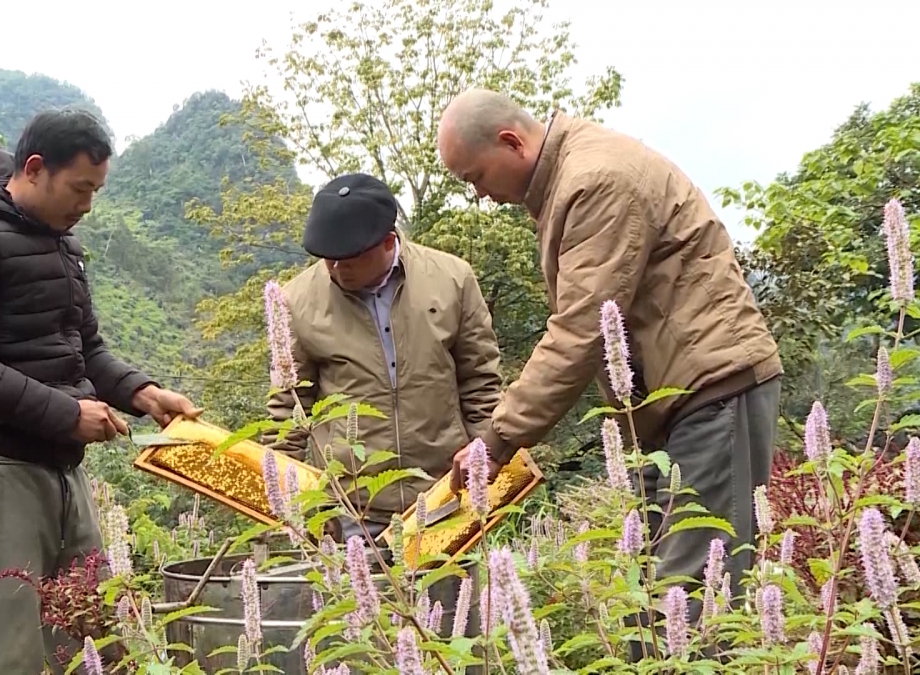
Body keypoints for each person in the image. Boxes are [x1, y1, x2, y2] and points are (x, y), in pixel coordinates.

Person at [436, 89, 782, 656]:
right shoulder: (571, 179)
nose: (477, 194)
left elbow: (582, 331)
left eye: (474, 176)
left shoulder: (595, 180)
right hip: (669, 407)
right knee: (650, 594)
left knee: (693, 594)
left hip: (712, 391)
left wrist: (497, 438)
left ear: (510, 141)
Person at [0, 108, 202, 674]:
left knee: (93, 643)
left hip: (57, 469)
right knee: (13, 657)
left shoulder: (59, 243)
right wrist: (67, 414)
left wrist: (145, 394)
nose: (87, 205)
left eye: (96, 190)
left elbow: (84, 350)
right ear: (34, 168)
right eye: (79, 188)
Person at [265, 172, 503, 542]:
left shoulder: (452, 280)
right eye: (328, 259)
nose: (336, 269)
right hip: (351, 512)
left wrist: (484, 466)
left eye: (349, 259)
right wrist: (292, 508)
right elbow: (287, 411)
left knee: (456, 599)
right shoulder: (295, 302)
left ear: (388, 241)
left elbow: (481, 384)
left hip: (443, 499)